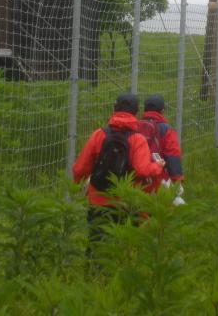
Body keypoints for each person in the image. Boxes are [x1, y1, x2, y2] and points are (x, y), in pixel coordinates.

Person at [72, 93, 166, 239]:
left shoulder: (99, 134)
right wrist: (158, 166)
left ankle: (94, 262)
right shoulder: (137, 139)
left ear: (114, 108)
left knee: (97, 244)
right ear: (136, 112)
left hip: (98, 199)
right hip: (127, 202)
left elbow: (80, 168)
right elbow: (142, 170)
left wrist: (78, 186)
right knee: (123, 246)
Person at [140, 95, 184, 195]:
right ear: (162, 111)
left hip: (139, 177)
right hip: (159, 176)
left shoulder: (136, 126)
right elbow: (172, 155)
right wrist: (177, 179)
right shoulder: (166, 129)